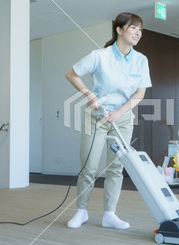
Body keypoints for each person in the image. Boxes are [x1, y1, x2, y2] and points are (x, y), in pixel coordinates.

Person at [65, 12, 152, 229]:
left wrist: (120, 112)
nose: (138, 33)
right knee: (89, 166)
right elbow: (71, 74)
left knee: (115, 168)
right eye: (133, 28)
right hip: (96, 117)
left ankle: (109, 214)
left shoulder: (141, 60)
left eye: (140, 30)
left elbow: (139, 94)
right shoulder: (100, 56)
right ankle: (81, 211)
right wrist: (90, 95)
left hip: (122, 119)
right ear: (119, 30)